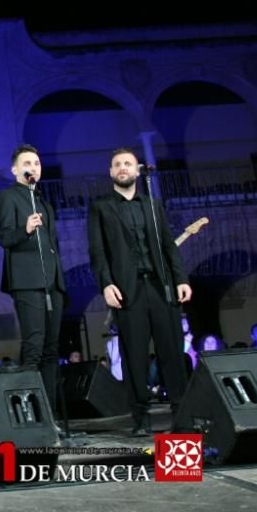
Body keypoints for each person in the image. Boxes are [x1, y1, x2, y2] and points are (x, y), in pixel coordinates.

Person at [87, 148, 192, 437]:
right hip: (126, 290)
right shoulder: (101, 207)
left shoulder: (153, 205)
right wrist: (106, 284)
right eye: (117, 164)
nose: (123, 168)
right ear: (111, 172)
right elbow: (98, 251)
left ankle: (181, 413)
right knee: (134, 355)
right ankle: (140, 417)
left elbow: (169, 245)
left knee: (172, 350)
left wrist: (180, 278)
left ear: (137, 170)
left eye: (128, 164)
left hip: (160, 286)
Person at [0, 144, 67, 421]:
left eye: (36, 163)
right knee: (34, 345)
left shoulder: (44, 202)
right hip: (26, 280)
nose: (32, 167)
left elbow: (52, 245)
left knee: (51, 348)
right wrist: (24, 229)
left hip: (52, 282)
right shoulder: (7, 197)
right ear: (15, 169)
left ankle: (50, 413)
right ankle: (30, 414)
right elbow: (5, 237)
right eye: (27, 163)